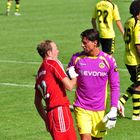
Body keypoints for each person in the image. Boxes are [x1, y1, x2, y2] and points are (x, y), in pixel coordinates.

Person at [67, 29, 120, 140]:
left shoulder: (108, 60)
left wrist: (114, 108)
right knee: (85, 138)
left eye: (85, 43)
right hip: (81, 107)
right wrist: (69, 73)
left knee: (97, 138)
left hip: (99, 109)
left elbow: (115, 86)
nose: (82, 45)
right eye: (82, 42)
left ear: (95, 43)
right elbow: (68, 81)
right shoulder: (76, 59)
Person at [34, 40, 78, 140]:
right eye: (56, 49)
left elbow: (37, 102)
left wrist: (46, 120)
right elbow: (70, 86)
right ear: (49, 53)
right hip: (60, 111)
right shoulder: (52, 64)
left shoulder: (40, 71)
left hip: (51, 114)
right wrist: (75, 75)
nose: (58, 51)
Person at [117, 0, 140, 120]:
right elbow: (138, 44)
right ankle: (136, 115)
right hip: (135, 59)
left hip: (128, 57)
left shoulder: (128, 21)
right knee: (138, 85)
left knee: (138, 83)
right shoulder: (138, 24)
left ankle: (121, 101)